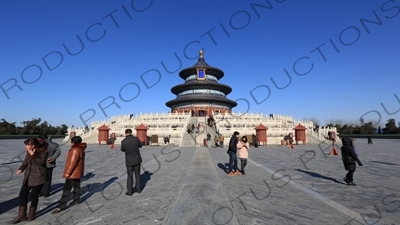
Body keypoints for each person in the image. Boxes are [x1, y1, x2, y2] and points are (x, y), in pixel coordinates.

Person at [10, 138, 48, 224]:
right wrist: (21, 169)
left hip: (39, 176)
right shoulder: (28, 152)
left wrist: (33, 155)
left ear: (33, 145)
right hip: (29, 176)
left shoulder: (43, 151)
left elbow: (41, 162)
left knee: (34, 196)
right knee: (22, 195)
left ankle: (31, 214)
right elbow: (25, 162)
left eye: (27, 144)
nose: (25, 146)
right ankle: (22, 215)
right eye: (26, 144)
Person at [52, 136, 86, 214]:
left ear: (73, 142)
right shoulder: (81, 149)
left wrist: (67, 173)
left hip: (72, 173)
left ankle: (61, 206)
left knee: (66, 189)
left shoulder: (75, 150)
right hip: (77, 172)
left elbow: (72, 163)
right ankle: (76, 200)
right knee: (76, 187)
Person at [120, 129, 143, 196]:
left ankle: (129, 191)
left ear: (125, 133)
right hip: (137, 159)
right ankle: (138, 189)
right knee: (137, 174)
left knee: (130, 176)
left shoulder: (124, 141)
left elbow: (122, 149)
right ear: (131, 133)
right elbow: (140, 145)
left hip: (129, 160)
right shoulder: (136, 139)